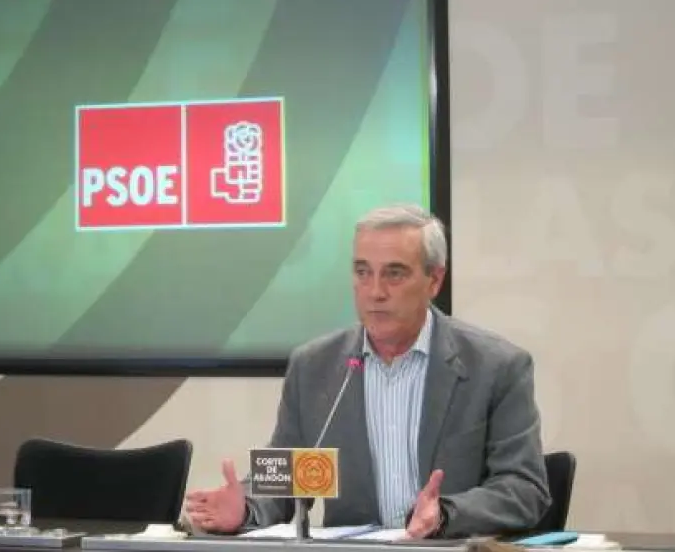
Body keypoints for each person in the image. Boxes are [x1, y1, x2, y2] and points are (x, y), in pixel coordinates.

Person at [184, 203, 551, 539]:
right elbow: (285, 482)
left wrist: (445, 514)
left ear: (434, 280)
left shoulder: (496, 367)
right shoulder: (314, 367)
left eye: (395, 274)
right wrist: (245, 509)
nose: (375, 291)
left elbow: (524, 489)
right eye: (363, 272)